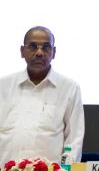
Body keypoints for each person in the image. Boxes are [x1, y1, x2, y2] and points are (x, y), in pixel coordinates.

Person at [0, 26, 84, 164]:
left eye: (46, 47)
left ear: (54, 52)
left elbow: (74, 139)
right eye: (32, 46)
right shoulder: (3, 85)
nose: (39, 52)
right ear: (22, 51)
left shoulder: (69, 87)